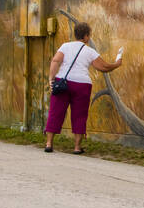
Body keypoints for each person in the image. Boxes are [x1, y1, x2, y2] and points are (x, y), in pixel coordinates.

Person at [43, 21, 122, 154]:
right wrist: (117, 64)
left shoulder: (65, 46)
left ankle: (49, 143)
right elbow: (103, 67)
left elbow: (55, 61)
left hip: (63, 82)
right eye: (89, 35)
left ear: (75, 34)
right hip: (82, 85)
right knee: (79, 115)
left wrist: (51, 79)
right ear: (86, 36)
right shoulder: (90, 51)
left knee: (55, 112)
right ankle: (77, 147)